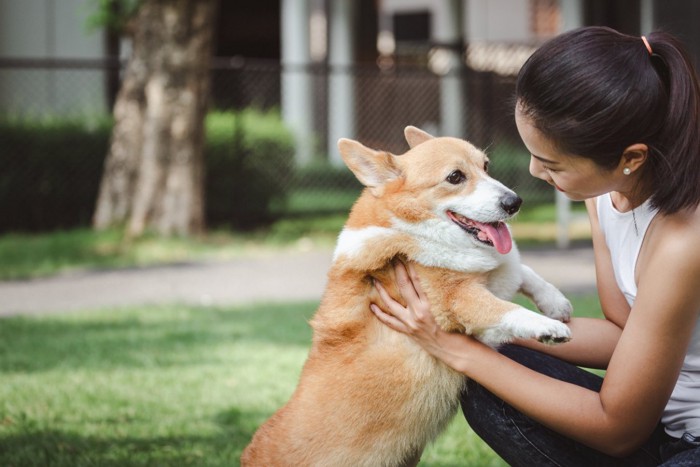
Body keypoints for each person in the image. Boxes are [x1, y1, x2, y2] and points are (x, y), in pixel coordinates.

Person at [371, 26, 700, 466]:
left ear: (631, 159)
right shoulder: (607, 198)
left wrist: (455, 348)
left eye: (552, 164)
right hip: (661, 427)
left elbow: (618, 430)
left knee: (477, 364)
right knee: (487, 373)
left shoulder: (683, 241)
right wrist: (468, 323)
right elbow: (623, 333)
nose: (534, 172)